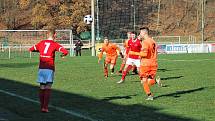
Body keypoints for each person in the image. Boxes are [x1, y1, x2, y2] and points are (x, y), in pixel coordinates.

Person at [29, 27, 68, 112]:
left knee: (42, 86)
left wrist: (40, 51)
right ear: (54, 35)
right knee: (48, 86)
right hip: (49, 68)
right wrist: (63, 55)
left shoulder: (41, 43)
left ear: (47, 34)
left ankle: (42, 106)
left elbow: (31, 49)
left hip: (41, 68)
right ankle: (45, 108)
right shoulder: (55, 44)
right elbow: (65, 51)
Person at [138, 27, 161, 100]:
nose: (139, 34)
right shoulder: (153, 41)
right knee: (148, 81)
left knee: (143, 81)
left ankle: (150, 96)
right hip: (153, 63)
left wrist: (137, 54)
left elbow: (144, 54)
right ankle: (150, 95)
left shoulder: (145, 42)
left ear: (144, 33)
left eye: (140, 33)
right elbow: (156, 52)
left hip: (145, 64)